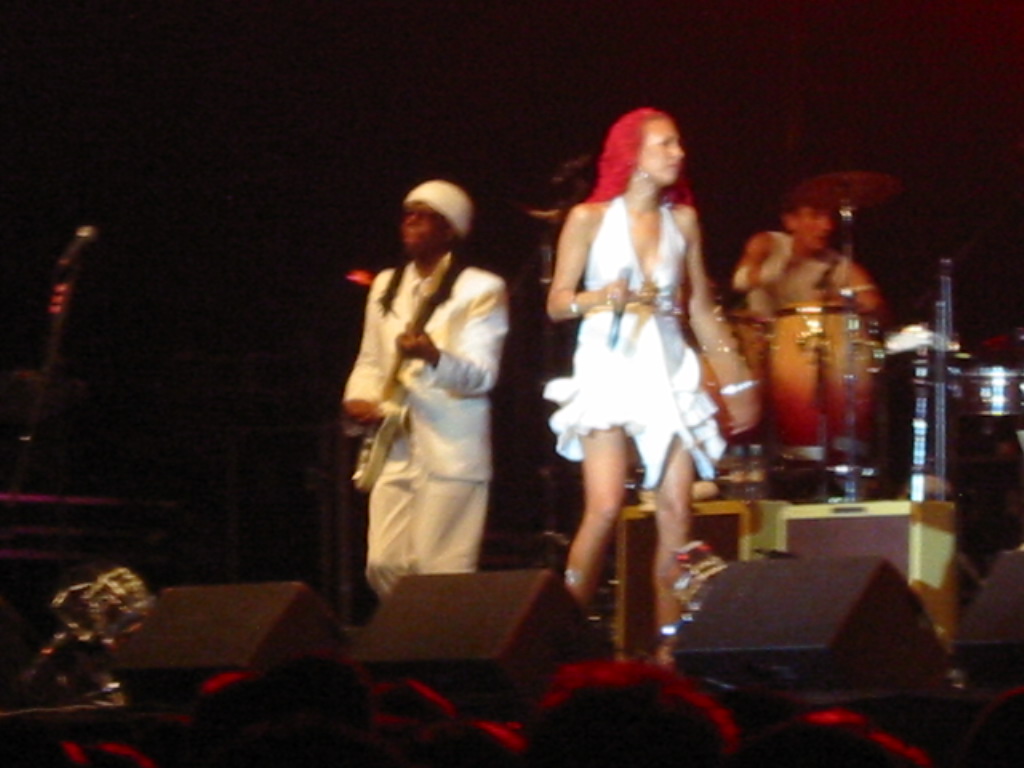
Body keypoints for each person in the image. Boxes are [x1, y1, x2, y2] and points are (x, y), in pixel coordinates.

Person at [544, 108, 758, 639]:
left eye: (678, 144)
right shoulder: (589, 218)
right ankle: (557, 636)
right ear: (632, 153)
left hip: (668, 368)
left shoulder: (682, 222)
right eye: (665, 143)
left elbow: (701, 308)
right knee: (604, 506)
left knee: (676, 510)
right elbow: (557, 303)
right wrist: (599, 297)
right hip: (608, 364)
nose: (678, 153)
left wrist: (736, 380)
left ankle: (669, 647)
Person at [342, 180, 509, 598]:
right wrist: (358, 398)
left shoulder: (481, 288)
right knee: (383, 564)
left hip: (450, 444)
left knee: (439, 571)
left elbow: (482, 375)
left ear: (449, 229)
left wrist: (435, 357)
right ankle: (410, 633)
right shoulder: (386, 285)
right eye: (408, 214)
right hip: (395, 441)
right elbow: (370, 359)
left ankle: (441, 638)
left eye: (425, 216)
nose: (411, 222)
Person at [731, 191, 885, 319]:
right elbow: (739, 281)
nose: (827, 226)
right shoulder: (769, 243)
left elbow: (875, 306)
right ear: (791, 221)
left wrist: (844, 302)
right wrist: (776, 269)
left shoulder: (838, 265)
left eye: (831, 217)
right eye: (816, 216)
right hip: (762, 339)